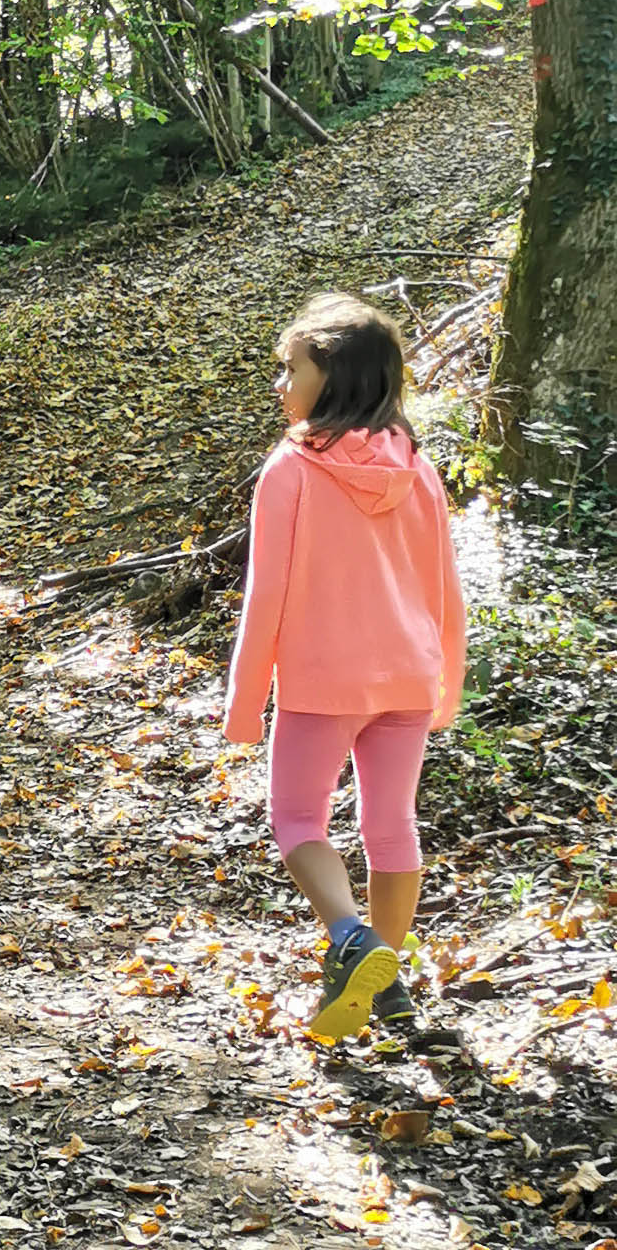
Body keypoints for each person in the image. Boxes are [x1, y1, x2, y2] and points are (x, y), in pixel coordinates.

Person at [224, 292, 468, 1042]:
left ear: (329, 375)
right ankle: (388, 982)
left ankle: (352, 938)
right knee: (391, 825)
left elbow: (267, 594)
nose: (279, 383)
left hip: (323, 678)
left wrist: (245, 702)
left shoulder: (291, 470)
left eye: (289, 367)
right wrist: (445, 682)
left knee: (297, 818)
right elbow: (443, 586)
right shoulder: (418, 467)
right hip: (406, 672)